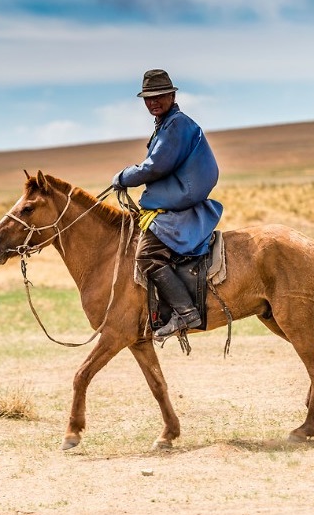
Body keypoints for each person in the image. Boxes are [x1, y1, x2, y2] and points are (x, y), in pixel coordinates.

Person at [112, 69, 223, 339]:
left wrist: (123, 176)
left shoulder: (177, 125)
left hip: (179, 204)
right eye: (148, 98)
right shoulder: (167, 123)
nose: (153, 102)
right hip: (176, 200)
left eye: (159, 95)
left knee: (146, 256)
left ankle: (186, 314)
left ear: (172, 95)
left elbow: (156, 166)